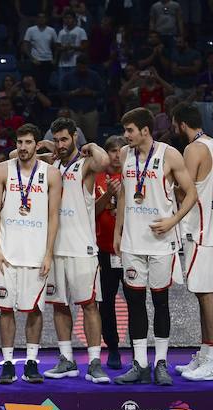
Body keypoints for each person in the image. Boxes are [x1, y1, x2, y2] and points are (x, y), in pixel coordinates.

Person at [113, 107, 197, 386]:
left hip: (162, 242)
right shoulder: (125, 155)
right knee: (135, 303)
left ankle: (161, 362)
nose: (126, 136)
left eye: (130, 131)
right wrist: (117, 231)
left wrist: (173, 220)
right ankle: (139, 363)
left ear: (144, 130)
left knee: (160, 302)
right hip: (132, 243)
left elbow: (191, 194)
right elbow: (125, 194)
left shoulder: (169, 154)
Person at [39, 118, 111, 384]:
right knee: (59, 305)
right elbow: (16, 154)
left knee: (90, 306)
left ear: (74, 138)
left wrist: (90, 144)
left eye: (64, 139)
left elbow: (104, 162)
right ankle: (66, 359)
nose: (60, 144)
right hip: (55, 248)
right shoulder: (51, 165)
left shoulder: (85, 165)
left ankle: (94, 362)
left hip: (82, 247)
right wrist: (46, 146)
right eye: (57, 139)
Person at [0, 124, 61, 384]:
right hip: (7, 253)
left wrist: (48, 253)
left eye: (28, 142)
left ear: (36, 144)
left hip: (35, 253)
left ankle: (32, 362)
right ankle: (7, 363)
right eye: (19, 142)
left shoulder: (51, 174)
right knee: (6, 309)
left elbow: (54, 216)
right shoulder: (1, 171)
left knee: (34, 310)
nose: (23, 147)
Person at [170, 103, 213, 381]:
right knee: (205, 292)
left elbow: (187, 190)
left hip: (201, 229)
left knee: (206, 294)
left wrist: (168, 185)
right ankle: (207, 353)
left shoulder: (192, 149)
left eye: (174, 124)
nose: (173, 129)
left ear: (181, 124)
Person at [94, 135, 127, 369]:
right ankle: (113, 348)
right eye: (112, 151)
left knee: (135, 302)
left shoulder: (134, 175)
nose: (116, 155)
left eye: (120, 150)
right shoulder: (96, 177)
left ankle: (138, 351)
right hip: (104, 250)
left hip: (129, 250)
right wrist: (108, 195)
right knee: (106, 303)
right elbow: (91, 213)